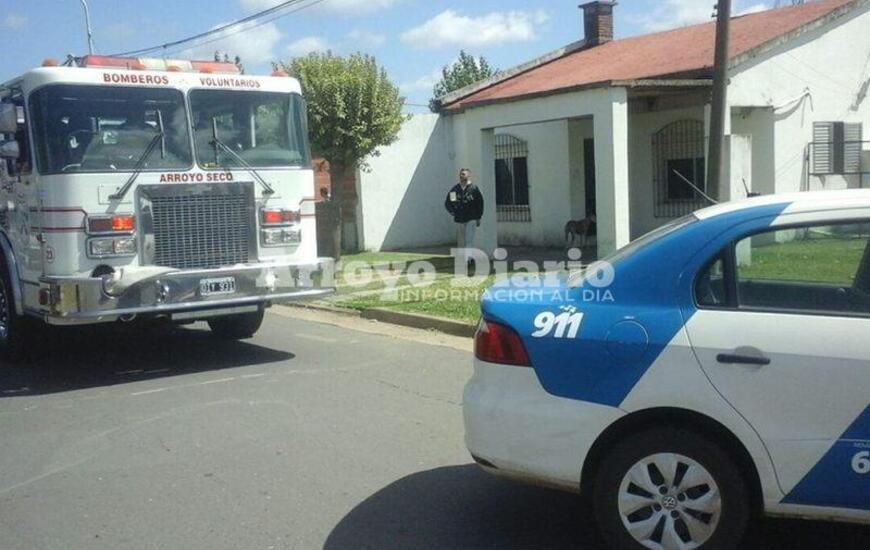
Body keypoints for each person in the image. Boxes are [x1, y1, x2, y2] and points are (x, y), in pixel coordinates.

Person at [444, 168, 484, 263]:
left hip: (471, 217)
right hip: (460, 218)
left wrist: (479, 216)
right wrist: (453, 212)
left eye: (464, 174)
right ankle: (467, 258)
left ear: (468, 176)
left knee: (469, 239)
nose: (462, 176)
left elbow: (480, 203)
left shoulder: (473, 189)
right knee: (462, 240)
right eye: (461, 174)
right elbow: (449, 203)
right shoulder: (455, 189)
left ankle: (468, 259)